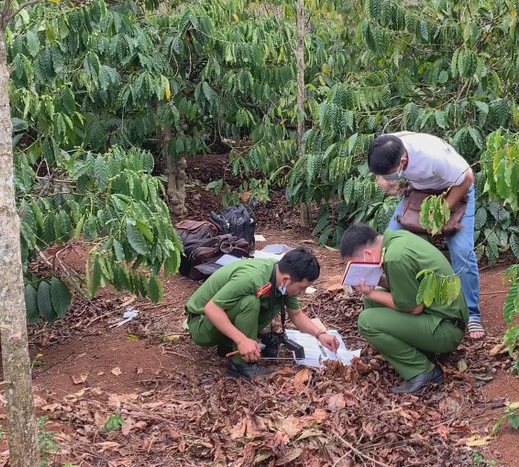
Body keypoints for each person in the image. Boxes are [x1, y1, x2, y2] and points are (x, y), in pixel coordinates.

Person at [367, 131, 484, 339]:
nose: (387, 177)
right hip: (420, 191)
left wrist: (441, 213)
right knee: (389, 242)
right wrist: (383, 179)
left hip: (455, 188)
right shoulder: (386, 145)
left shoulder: (432, 157)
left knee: (462, 250)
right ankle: (399, 292)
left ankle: (472, 313)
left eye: (389, 173)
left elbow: (467, 178)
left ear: (403, 161)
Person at [339, 223, 468, 394]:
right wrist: (374, 283)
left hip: (446, 330)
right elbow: (404, 285)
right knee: (372, 304)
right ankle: (423, 351)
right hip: (444, 319)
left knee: (367, 321)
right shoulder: (397, 240)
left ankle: (423, 371)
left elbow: (414, 308)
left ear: (367, 255)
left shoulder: (394, 257)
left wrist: (370, 293)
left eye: (354, 266)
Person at [185, 247, 339, 379]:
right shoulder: (252, 278)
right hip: (201, 325)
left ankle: (227, 345)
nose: (303, 292)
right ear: (287, 279)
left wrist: (320, 335)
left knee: (272, 300)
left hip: (217, 322)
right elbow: (211, 308)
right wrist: (241, 340)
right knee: (250, 303)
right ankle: (240, 365)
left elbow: (296, 315)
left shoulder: (280, 281)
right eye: (301, 287)